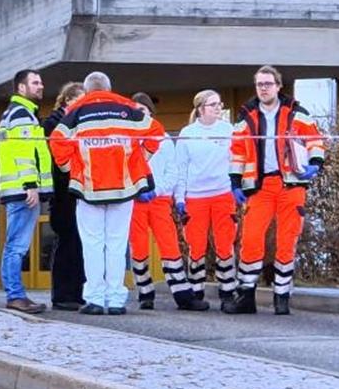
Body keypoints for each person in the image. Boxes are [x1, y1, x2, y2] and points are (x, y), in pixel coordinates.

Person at [49, 71, 163, 316]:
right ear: (109, 89)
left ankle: (95, 299)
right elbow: (156, 133)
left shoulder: (76, 111)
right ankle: (116, 299)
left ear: (88, 90)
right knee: (117, 244)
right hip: (123, 188)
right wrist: (140, 161)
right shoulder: (128, 108)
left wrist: (70, 169)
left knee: (92, 244)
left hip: (89, 189)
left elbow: (57, 141)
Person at [225, 66, 325, 315]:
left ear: (279, 86)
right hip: (259, 187)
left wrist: (315, 164)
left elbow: (315, 140)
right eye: (260, 84)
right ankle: (246, 295)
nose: (264, 88)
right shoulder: (246, 116)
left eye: (268, 83)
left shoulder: (297, 113)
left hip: (291, 185)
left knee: (287, 239)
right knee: (250, 240)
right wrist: (235, 181)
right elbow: (237, 151)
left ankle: (282, 297)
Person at [127, 92, 205, 311]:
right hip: (135, 202)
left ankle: (182, 295)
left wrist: (155, 190)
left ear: (150, 112)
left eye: (142, 110)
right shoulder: (127, 139)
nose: (139, 114)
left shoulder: (164, 139)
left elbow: (173, 171)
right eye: (135, 110)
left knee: (169, 246)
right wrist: (137, 190)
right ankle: (145, 292)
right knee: (138, 247)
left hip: (159, 200)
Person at [174, 90, 238, 312]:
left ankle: (228, 292)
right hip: (195, 196)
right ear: (201, 109)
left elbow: (236, 162)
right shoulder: (188, 133)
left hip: (222, 193)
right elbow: (181, 168)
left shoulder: (229, 131)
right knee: (196, 245)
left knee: (225, 244)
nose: (218, 108)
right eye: (213, 105)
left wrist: (237, 187)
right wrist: (179, 198)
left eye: (219, 104)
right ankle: (196, 292)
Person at [0, 69, 51, 314]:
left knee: (16, 245)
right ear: (21, 87)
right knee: (16, 246)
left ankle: (17, 295)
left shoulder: (21, 113)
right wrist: (31, 185)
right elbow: (24, 153)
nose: (40, 86)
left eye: (40, 82)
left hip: (18, 190)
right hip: (22, 190)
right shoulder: (21, 114)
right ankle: (15, 296)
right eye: (35, 82)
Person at [42, 81, 86, 311]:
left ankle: (76, 293)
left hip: (76, 190)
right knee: (66, 242)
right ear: (68, 100)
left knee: (77, 244)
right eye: (80, 100)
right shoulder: (53, 124)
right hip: (62, 193)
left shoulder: (78, 123)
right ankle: (61, 295)